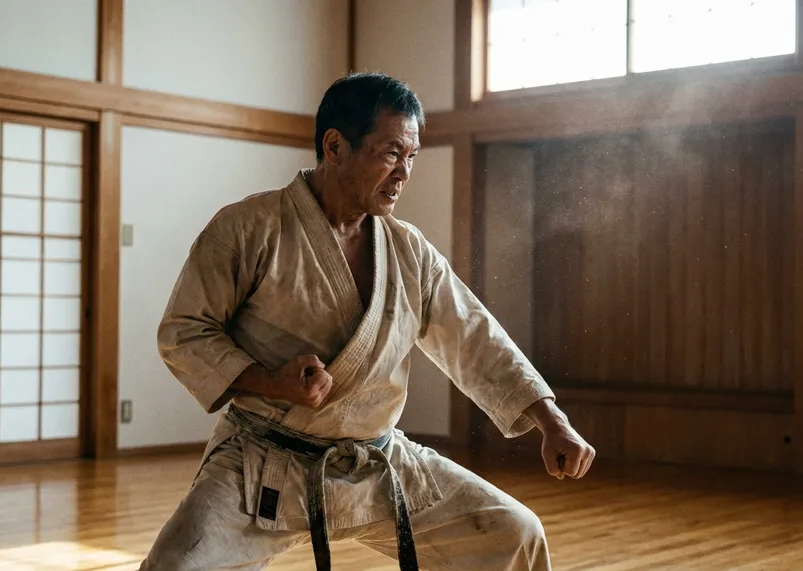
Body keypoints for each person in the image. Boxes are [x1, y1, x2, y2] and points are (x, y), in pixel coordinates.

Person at [140, 72, 595, 571]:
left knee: (515, 535)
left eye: (412, 157)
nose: (403, 173)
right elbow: (184, 331)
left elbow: (473, 335)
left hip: (376, 465)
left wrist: (553, 421)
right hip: (263, 461)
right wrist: (270, 381)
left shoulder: (409, 250)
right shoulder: (248, 228)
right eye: (390, 153)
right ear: (335, 147)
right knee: (175, 566)